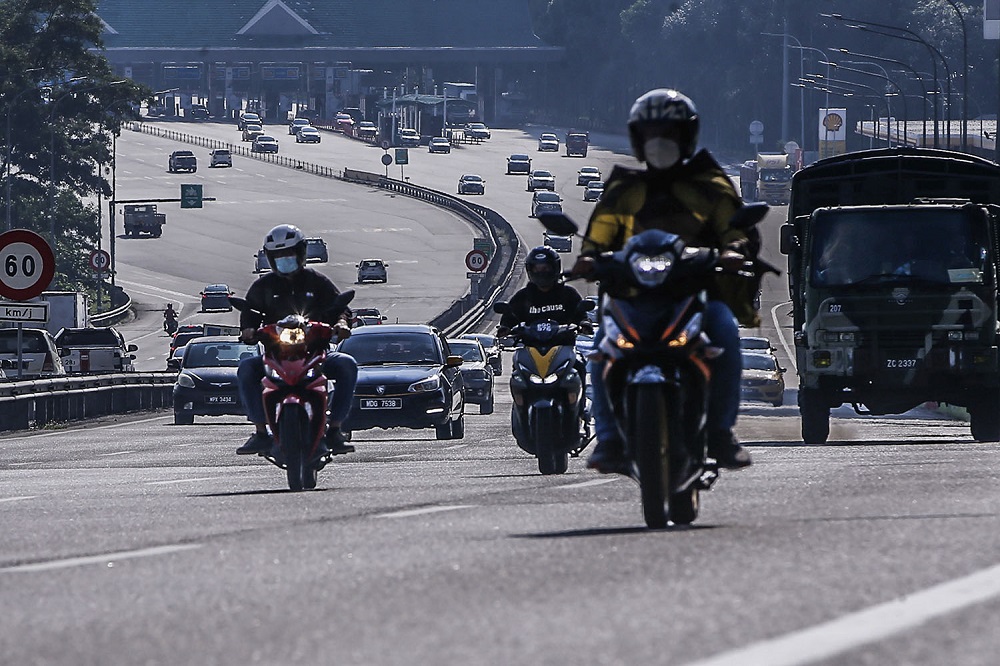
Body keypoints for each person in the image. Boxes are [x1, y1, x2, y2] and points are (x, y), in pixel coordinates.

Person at [570, 88, 755, 473]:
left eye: (669, 133)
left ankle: (721, 433)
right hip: (632, 295)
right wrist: (590, 258)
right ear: (638, 138)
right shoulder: (625, 188)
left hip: (694, 294)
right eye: (652, 133)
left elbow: (733, 227)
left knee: (726, 332)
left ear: (686, 136)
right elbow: (601, 232)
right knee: (601, 350)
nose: (660, 143)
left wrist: (733, 250)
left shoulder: (711, 184)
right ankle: (607, 439)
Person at [235, 224, 358, 456]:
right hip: (275, 356)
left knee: (347, 365)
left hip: (316, 354)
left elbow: (339, 308)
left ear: (301, 254)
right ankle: (261, 431)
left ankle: (336, 428)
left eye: (289, 254)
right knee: (246, 369)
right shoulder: (263, 287)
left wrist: (341, 324)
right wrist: (248, 331)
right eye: (279, 256)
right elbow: (250, 313)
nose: (284, 260)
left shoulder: (318, 282)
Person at [497, 245, 590, 394]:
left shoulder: (568, 294)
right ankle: (521, 408)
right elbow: (510, 315)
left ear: (555, 268)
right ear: (530, 270)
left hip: (563, 348)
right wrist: (504, 327)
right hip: (530, 350)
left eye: (546, 268)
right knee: (517, 370)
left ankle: (580, 407)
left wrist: (584, 323)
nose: (542, 272)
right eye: (537, 269)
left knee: (579, 363)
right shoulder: (523, 296)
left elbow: (581, 314)